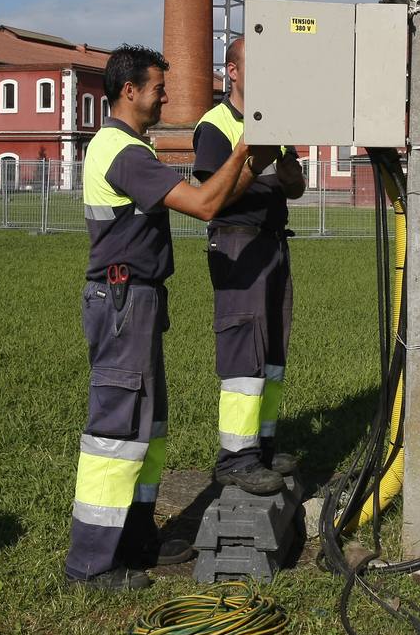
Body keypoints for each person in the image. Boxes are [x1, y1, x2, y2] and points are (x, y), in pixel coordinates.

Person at [65, 43, 278, 591]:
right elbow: (207, 204)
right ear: (129, 90)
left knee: (147, 427)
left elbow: (211, 193)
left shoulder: (130, 146)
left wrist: (248, 163)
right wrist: (246, 149)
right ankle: (90, 564)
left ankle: (136, 538)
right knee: (116, 430)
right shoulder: (123, 152)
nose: (165, 98)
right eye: (158, 88)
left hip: (138, 298)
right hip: (121, 301)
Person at [193, 37, 306, 495]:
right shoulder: (215, 127)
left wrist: (288, 174)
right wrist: (257, 167)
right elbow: (213, 195)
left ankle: (262, 445)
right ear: (232, 71)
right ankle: (235, 457)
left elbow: (294, 187)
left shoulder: (274, 124)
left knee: (273, 353)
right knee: (244, 351)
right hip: (237, 245)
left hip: (273, 244)